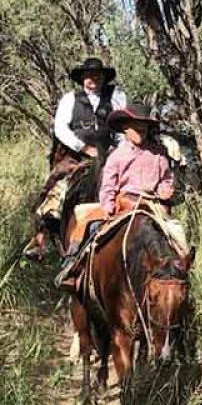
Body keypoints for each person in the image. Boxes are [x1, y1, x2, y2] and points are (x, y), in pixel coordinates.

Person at [54, 102, 187, 290]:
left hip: (152, 205)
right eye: (136, 127)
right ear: (126, 128)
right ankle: (74, 265)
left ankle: (180, 274)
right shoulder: (117, 155)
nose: (140, 131)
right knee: (89, 224)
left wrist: (165, 190)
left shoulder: (159, 155)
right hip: (122, 202)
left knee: (176, 233)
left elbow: (166, 179)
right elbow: (108, 186)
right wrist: (108, 205)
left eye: (144, 127)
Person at [22, 57, 129, 260]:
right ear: (82, 78)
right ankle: (41, 240)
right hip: (77, 157)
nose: (92, 79)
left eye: (97, 75)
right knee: (57, 187)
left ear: (103, 77)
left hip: (112, 154)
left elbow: (124, 125)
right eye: (88, 76)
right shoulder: (70, 99)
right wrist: (84, 147)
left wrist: (119, 149)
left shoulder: (117, 96)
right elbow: (61, 129)